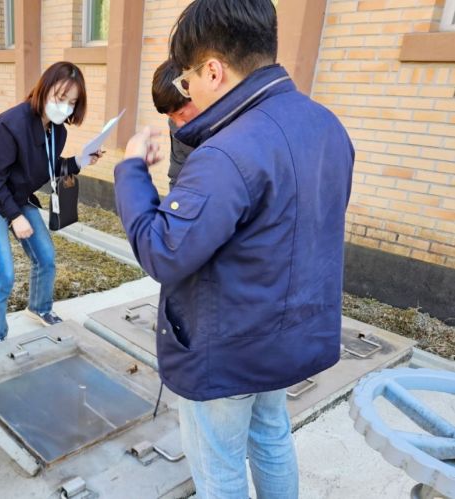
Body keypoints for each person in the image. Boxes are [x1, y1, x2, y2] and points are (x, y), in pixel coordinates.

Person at [113, 1, 354, 497]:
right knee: (270, 436)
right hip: (287, 335)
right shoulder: (326, 125)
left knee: (218, 467)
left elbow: (162, 252)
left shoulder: (225, 151)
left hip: (229, 346)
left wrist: (131, 169)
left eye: (187, 81)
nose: (189, 92)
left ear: (214, 70)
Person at [0, 62, 101, 343]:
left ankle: (39, 308)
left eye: (72, 102)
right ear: (44, 88)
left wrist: (79, 161)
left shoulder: (57, 130)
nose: (64, 107)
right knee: (2, 271)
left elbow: (46, 167)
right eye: (60, 97)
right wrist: (15, 216)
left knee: (46, 258)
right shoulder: (10, 124)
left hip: (16, 196)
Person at [151, 59, 200, 189]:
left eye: (181, 113)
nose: (178, 123)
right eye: (171, 116)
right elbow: (177, 171)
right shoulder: (175, 124)